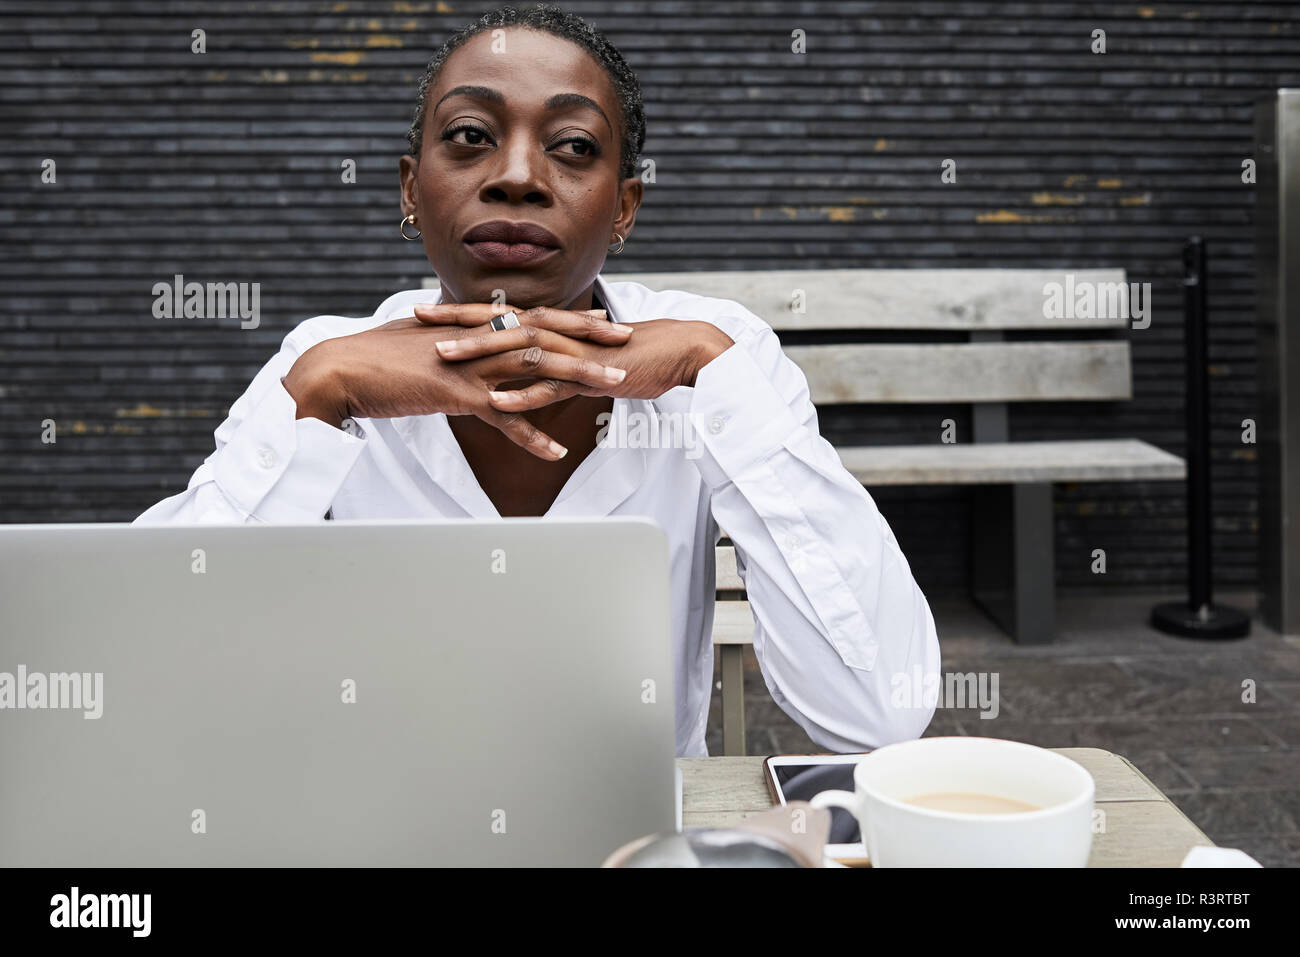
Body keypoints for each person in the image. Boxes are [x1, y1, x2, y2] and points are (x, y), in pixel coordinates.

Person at [136, 3, 941, 757]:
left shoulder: (717, 359)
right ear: (411, 189)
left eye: (574, 147)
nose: (517, 176)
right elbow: (152, 681)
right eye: (469, 135)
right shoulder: (324, 366)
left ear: (624, 207)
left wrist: (712, 372)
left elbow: (878, 712)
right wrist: (315, 396)